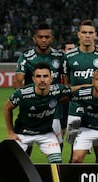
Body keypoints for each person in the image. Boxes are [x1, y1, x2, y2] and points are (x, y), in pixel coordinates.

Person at [4, 62, 83, 163]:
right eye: (38, 76)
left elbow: (74, 89)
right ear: (33, 79)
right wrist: (10, 132)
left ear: (51, 78)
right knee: (13, 163)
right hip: (22, 134)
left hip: (46, 134)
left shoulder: (57, 90)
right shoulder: (22, 94)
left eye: (45, 76)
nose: (42, 80)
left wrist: (93, 85)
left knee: (56, 162)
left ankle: (53, 179)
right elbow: (7, 108)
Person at [63, 19, 98, 163]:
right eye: (84, 32)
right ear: (78, 34)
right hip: (75, 111)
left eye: (90, 33)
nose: (87, 35)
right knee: (75, 155)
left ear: (95, 35)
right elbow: (67, 87)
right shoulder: (68, 57)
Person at [14, 22, 65, 155]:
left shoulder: (60, 57)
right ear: (34, 38)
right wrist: (26, 102)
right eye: (40, 37)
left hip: (53, 110)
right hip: (31, 110)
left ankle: (56, 174)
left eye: (46, 37)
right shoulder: (26, 57)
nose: (43, 40)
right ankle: (25, 174)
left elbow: (66, 84)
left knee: (56, 146)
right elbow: (18, 82)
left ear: (52, 38)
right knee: (26, 147)